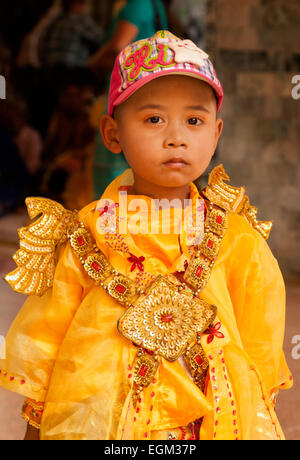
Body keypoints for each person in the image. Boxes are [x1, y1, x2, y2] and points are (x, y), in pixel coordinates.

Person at [0, 31, 292, 440]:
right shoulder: (87, 234)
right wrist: (37, 427)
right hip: (102, 421)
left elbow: (260, 342)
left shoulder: (236, 237)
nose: (176, 137)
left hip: (211, 419)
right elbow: (47, 336)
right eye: (154, 119)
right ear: (112, 134)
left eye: (195, 120)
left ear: (216, 134)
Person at [88, 0, 169, 199]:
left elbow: (118, 46)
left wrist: (91, 64)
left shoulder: (138, 3)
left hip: (129, 95)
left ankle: (110, 221)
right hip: (146, 94)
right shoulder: (154, 5)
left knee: (115, 159)